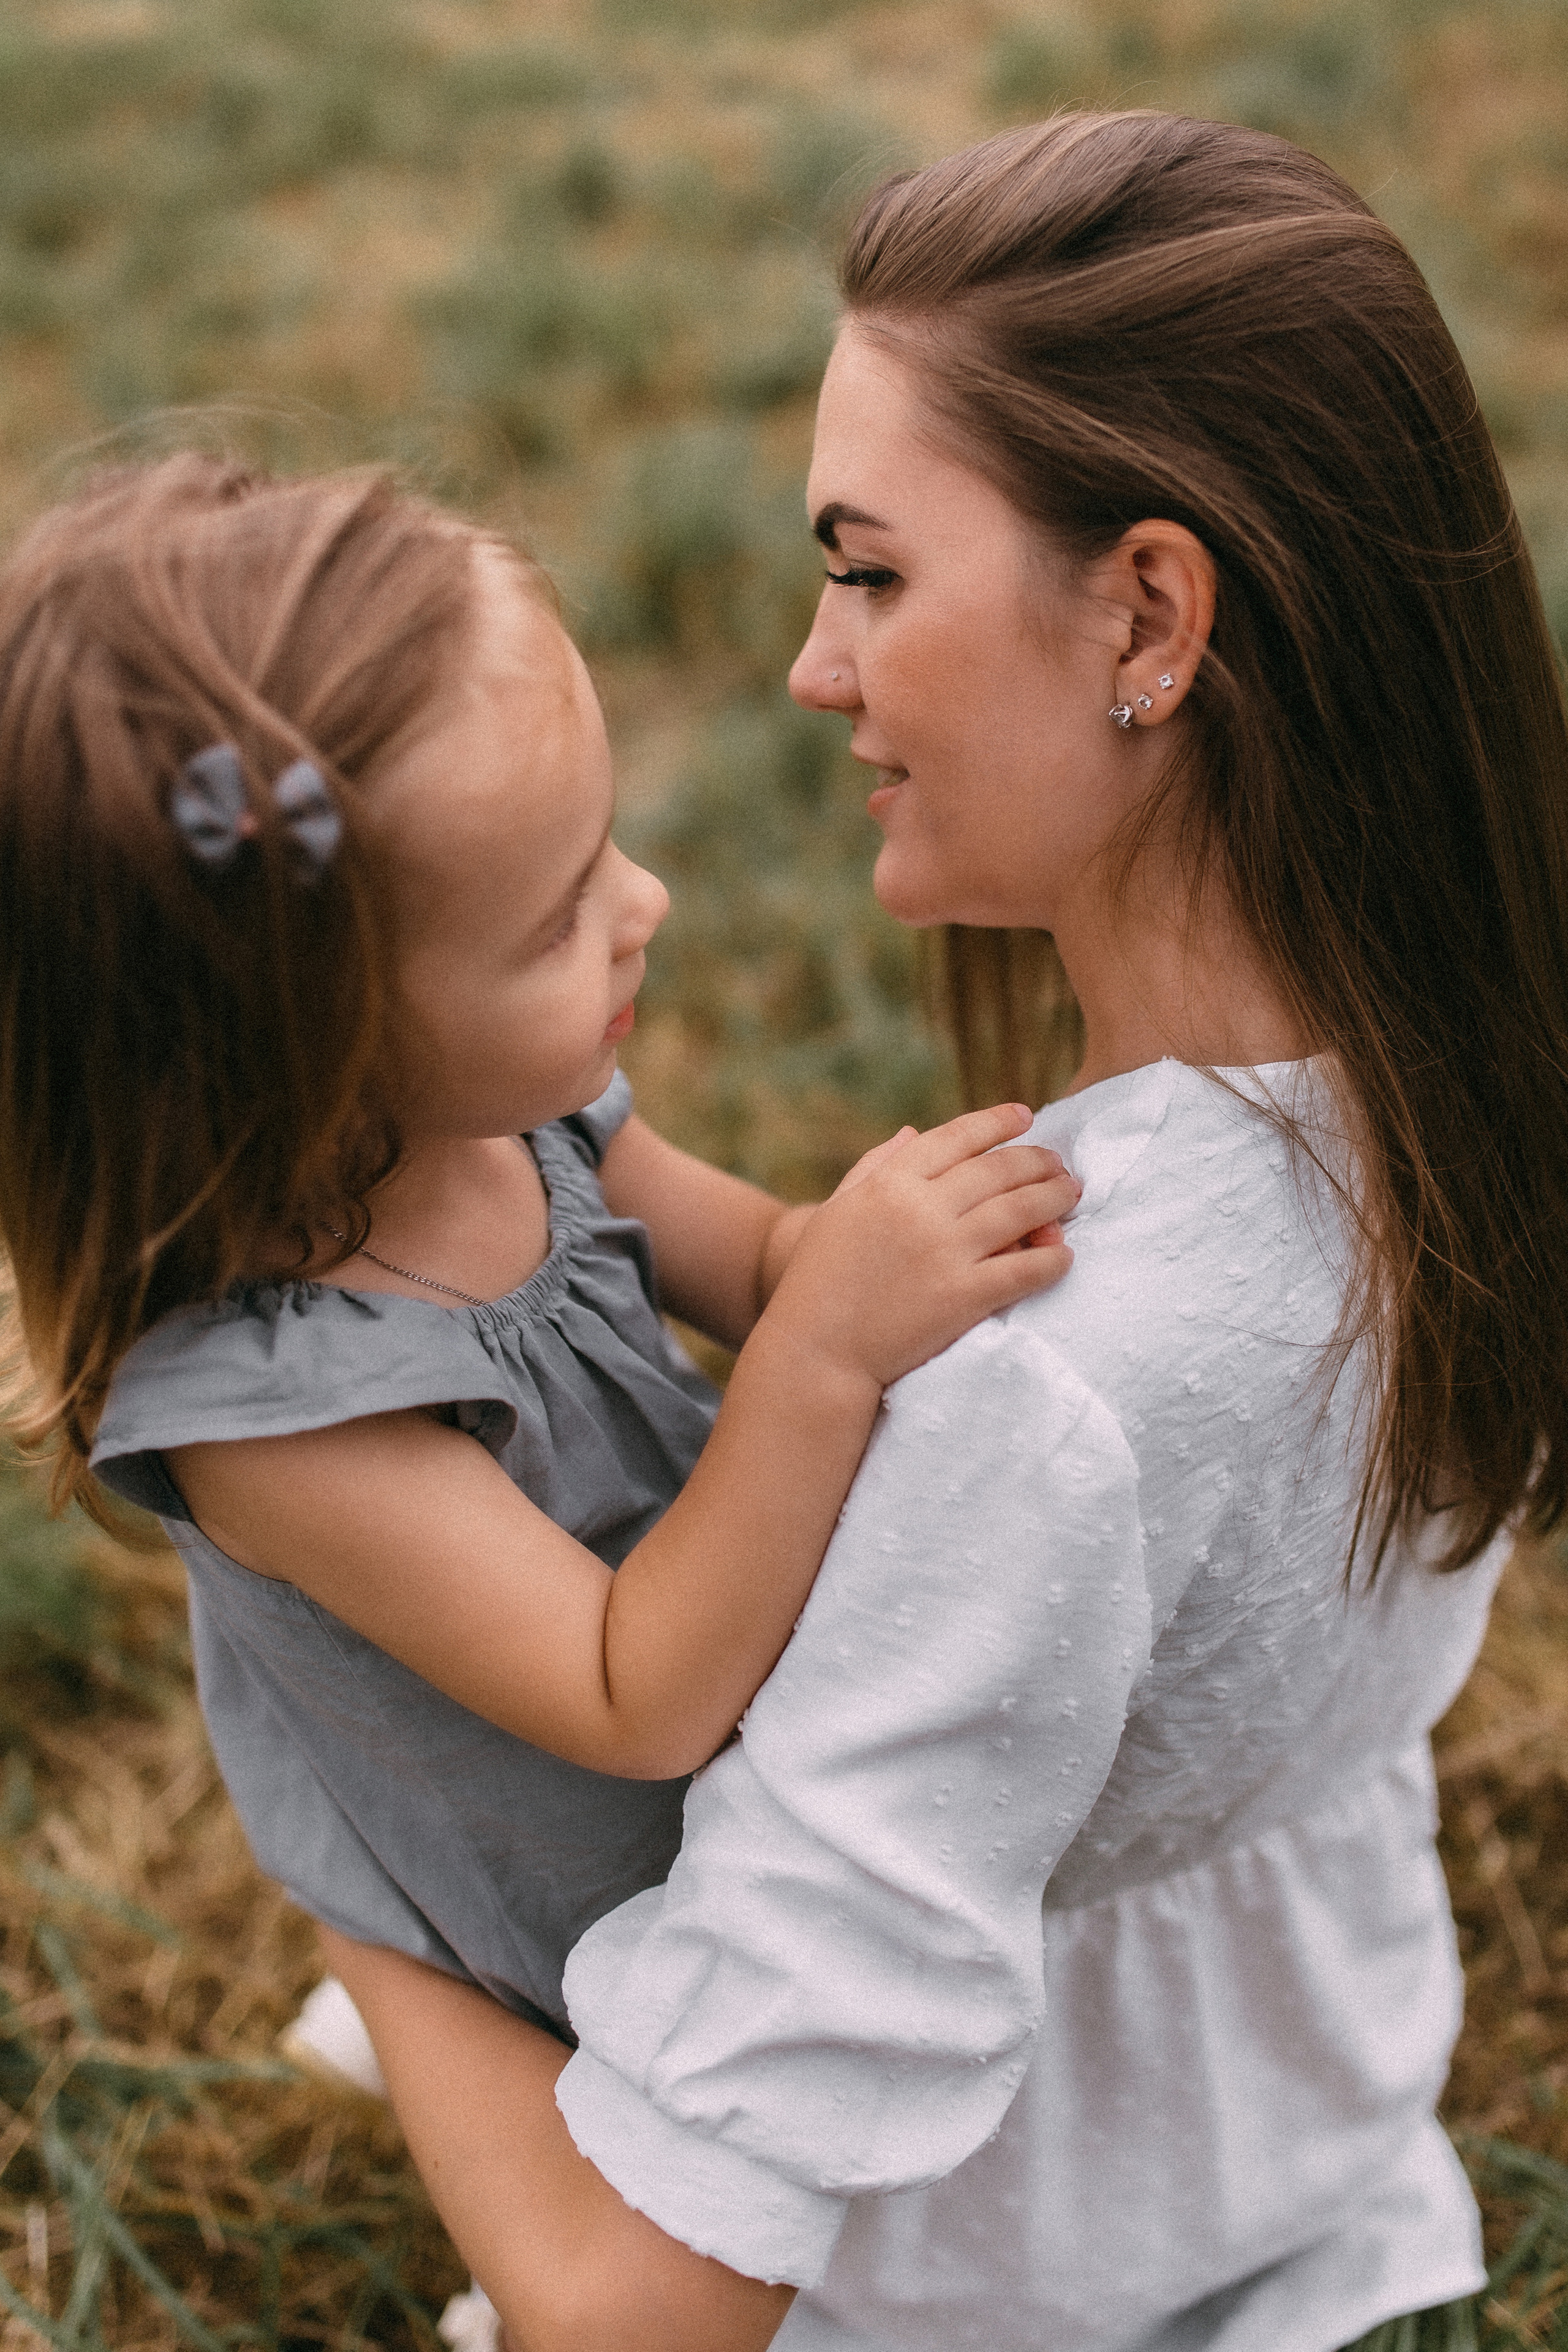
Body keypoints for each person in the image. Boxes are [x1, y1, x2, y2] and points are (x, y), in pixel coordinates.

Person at [306, 111, 1568, 2352]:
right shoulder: (1469, 1093)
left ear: (1153, 619)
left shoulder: (1041, 1391)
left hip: (961, 2265)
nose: (810, 667)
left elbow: (639, 2316)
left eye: (871, 572)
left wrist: (365, 1903)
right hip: (1292, 2111)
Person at [0, 456, 1082, 2097]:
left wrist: (874, 1253)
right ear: (305, 1053)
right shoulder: (276, 1413)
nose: (644, 903)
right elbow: (624, 1692)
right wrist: (823, 1356)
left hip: (737, 1715)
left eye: (606, 849)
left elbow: (762, 1261)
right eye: (557, 917)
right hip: (592, 1887)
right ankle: (448, 2070)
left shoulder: (518, 1113)